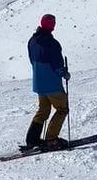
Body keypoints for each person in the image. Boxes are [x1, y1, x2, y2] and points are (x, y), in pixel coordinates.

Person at [25, 14, 71, 150]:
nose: (54, 24)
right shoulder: (52, 43)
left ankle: (32, 140)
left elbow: (31, 59)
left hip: (39, 83)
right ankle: (51, 139)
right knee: (62, 109)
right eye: (53, 22)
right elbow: (57, 63)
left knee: (43, 111)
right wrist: (64, 73)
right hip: (52, 83)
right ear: (51, 25)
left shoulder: (32, 41)